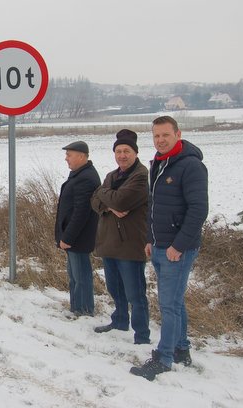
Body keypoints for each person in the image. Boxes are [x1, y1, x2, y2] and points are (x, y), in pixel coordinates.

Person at [130, 116, 208, 381]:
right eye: (156, 136)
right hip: (161, 245)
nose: (160, 140)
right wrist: (151, 239)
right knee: (175, 302)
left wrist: (178, 245)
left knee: (168, 305)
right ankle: (181, 349)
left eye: (165, 135)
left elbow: (198, 211)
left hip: (178, 248)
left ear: (178, 134)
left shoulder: (191, 166)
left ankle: (163, 359)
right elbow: (154, 206)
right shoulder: (160, 164)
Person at [91, 129, 150, 344]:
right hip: (109, 242)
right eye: (118, 151)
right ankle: (120, 320)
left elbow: (122, 201)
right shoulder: (112, 176)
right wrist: (109, 205)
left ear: (135, 153)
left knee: (135, 293)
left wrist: (105, 196)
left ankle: (142, 335)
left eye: (126, 151)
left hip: (130, 244)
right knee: (114, 287)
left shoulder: (141, 176)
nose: (122, 155)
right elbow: (94, 201)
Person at [54, 141, 100, 316]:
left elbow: (81, 213)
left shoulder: (86, 178)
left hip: (78, 238)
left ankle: (84, 310)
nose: (66, 159)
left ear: (81, 156)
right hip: (73, 237)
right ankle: (76, 308)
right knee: (74, 276)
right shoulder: (79, 174)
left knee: (81, 277)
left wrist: (68, 237)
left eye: (69, 155)